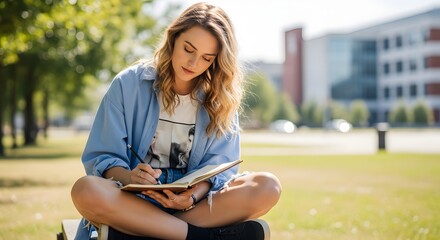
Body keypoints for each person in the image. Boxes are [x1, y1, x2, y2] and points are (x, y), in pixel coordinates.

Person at [71, 2, 282, 240]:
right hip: (131, 201)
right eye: (188, 49)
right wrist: (131, 177)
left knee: (267, 187)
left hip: (192, 207)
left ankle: (145, 231)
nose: (193, 64)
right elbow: (102, 157)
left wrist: (192, 195)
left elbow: (222, 167)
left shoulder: (221, 99)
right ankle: (198, 237)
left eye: (206, 58)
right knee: (85, 189)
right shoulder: (129, 84)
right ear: (173, 39)